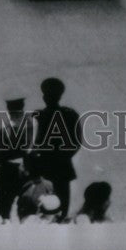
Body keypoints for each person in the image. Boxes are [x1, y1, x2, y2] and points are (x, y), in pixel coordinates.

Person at [32, 77, 81, 217]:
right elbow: (76, 142)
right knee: (61, 209)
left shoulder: (38, 116)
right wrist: (63, 157)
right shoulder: (70, 114)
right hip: (63, 167)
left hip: (44, 167)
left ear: (44, 97)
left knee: (44, 210)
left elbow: (31, 144)